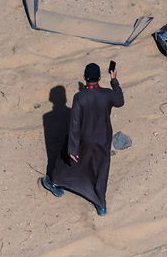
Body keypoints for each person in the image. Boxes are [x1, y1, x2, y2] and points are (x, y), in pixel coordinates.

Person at [41, 62, 124, 215]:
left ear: (84, 78)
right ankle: (101, 205)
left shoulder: (80, 97)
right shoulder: (107, 94)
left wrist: (72, 148)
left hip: (84, 138)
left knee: (65, 159)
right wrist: (114, 80)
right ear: (99, 77)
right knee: (101, 169)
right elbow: (120, 101)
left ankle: (54, 182)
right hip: (103, 139)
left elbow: (74, 124)